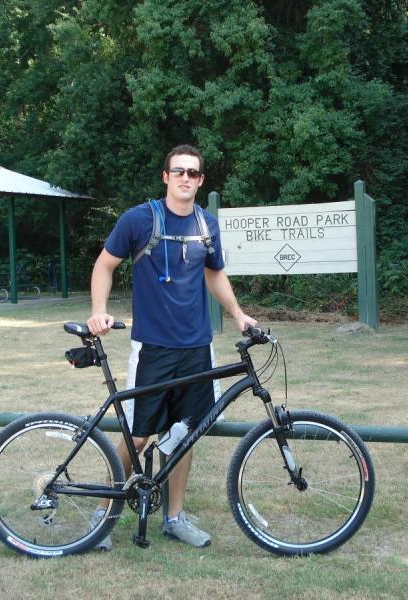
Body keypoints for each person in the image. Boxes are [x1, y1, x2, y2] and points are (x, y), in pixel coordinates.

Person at [86, 144, 256, 549]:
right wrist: (98, 311)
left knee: (185, 435)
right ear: (165, 176)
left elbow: (215, 274)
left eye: (192, 173)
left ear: (200, 180)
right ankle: (102, 513)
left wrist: (237, 314)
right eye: (178, 171)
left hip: (196, 347)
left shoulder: (206, 224)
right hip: (153, 348)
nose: (185, 178)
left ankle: (174, 517)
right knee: (138, 436)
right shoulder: (139, 219)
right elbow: (104, 265)